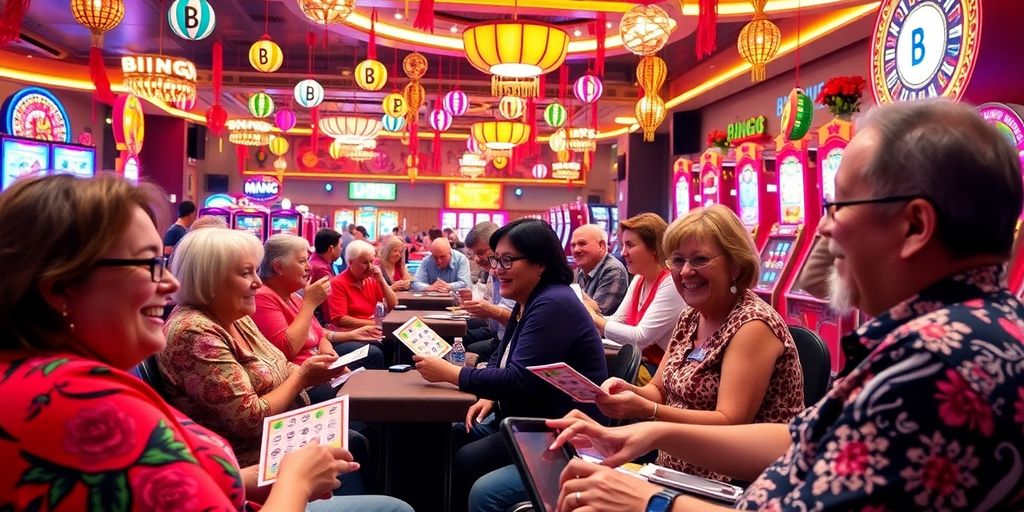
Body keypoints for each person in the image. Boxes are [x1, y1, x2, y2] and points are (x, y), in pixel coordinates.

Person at [547, 100, 1024, 511]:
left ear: (915, 226)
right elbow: (800, 439)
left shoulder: (937, 364)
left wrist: (648, 501)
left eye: (840, 206)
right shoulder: (950, 332)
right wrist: (648, 434)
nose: (822, 230)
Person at [0, 174, 410, 512]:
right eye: (146, 264)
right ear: (61, 289)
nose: (169, 283)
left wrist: (271, 474)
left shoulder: (57, 378)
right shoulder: (81, 404)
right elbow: (251, 413)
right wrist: (295, 482)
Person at [412, 218, 608, 512]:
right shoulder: (529, 298)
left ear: (540, 263)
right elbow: (502, 357)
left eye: (506, 261)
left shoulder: (553, 303)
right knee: (448, 437)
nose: (495, 270)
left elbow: (518, 379)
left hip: (563, 437)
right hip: (527, 420)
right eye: (494, 260)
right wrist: (490, 395)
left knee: (481, 487)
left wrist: (453, 374)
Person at [597, 205, 804, 479]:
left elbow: (729, 422)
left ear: (736, 265)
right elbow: (658, 390)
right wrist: (628, 392)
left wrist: (650, 411)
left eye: (699, 260)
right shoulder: (690, 316)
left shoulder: (753, 324)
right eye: (678, 260)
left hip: (732, 484)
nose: (685, 272)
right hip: (672, 471)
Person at [159, 229, 347, 467]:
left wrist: (306, 370)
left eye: (256, 271)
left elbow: (280, 360)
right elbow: (250, 420)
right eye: (247, 273)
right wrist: (302, 376)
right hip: (246, 466)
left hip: (280, 438)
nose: (258, 282)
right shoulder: (193, 332)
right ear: (210, 279)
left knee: (354, 438)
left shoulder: (235, 314)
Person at [252, 234, 385, 372]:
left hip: (319, 360)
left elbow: (319, 333)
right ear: (278, 267)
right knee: (374, 353)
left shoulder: (293, 295)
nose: (309, 267)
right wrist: (310, 303)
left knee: (374, 352)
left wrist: (327, 347)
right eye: (302, 261)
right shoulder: (263, 297)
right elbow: (287, 349)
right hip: (300, 375)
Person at [585, 213, 686, 383]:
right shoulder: (639, 278)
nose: (623, 253)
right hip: (645, 366)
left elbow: (641, 338)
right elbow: (618, 321)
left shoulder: (670, 282)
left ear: (653, 248)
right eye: (623, 245)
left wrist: (594, 319)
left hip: (665, 376)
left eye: (630, 245)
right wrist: (589, 314)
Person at [459, 221, 516, 362]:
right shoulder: (492, 270)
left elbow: (519, 320)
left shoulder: (510, 272)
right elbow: (489, 310)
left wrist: (489, 310)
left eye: (480, 253)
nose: (476, 259)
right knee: (459, 338)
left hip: (512, 342)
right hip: (498, 336)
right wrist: (474, 303)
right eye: (473, 254)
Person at [327, 240, 398, 330]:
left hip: (373, 330)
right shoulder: (336, 283)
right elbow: (340, 319)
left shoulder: (372, 280)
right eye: (365, 263)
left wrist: (382, 281)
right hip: (350, 335)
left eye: (372, 262)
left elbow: (393, 305)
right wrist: (377, 324)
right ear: (351, 262)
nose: (370, 267)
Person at [571, 223, 629, 315]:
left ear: (601, 245)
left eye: (582, 244)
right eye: (573, 245)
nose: (575, 250)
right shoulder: (580, 270)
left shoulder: (614, 270)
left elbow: (596, 315)